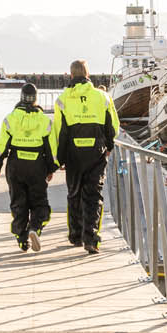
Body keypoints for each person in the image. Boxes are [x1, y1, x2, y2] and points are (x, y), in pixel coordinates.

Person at [50, 60, 120, 254]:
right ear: (88, 75)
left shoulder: (63, 99)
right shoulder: (103, 97)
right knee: (93, 195)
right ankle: (91, 238)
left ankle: (75, 235)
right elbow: (113, 126)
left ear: (71, 76)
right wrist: (109, 146)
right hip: (96, 152)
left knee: (74, 192)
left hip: (73, 153)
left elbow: (59, 132)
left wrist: (59, 159)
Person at [0, 82, 55, 253]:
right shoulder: (44, 120)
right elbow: (51, 149)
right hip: (37, 166)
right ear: (36, 99)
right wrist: (51, 169)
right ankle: (34, 228)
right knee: (39, 202)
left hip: (16, 166)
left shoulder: (10, 119)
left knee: (19, 204)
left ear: (21, 97)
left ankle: (21, 239)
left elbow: (2, 147)